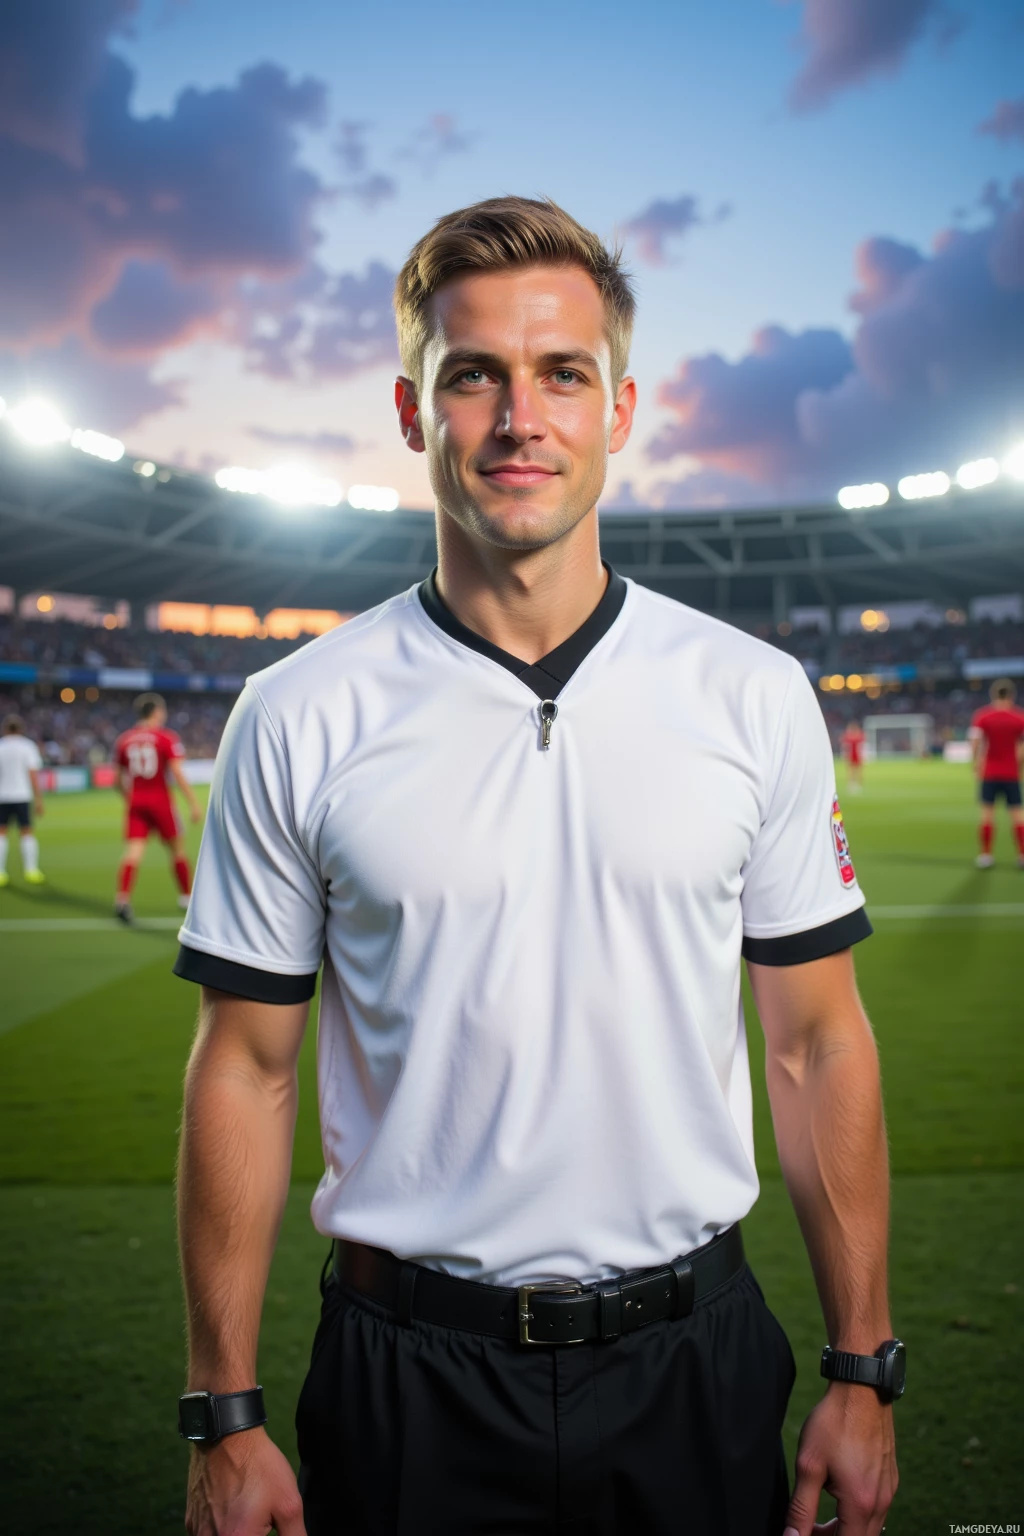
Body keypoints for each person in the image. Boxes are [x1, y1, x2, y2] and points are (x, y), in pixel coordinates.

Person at [174, 197, 900, 1536]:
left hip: (695, 1360)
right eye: (475, 378)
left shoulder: (753, 695)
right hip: (406, 1380)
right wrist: (222, 1411)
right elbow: (247, 1064)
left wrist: (865, 1365)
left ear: (620, 409)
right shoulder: (296, 712)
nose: (522, 418)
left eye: (564, 373)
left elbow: (816, 1047)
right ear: (412, 410)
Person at [113, 692, 200, 922]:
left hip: (136, 802)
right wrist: (193, 802)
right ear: (157, 712)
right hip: (160, 801)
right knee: (177, 850)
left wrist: (129, 798)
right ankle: (186, 897)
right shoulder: (166, 737)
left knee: (133, 853)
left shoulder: (124, 739)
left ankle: (122, 899)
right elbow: (177, 773)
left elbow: (116, 780)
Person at [969, 676, 1024, 869]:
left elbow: (975, 742)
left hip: (989, 773)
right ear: (1012, 695)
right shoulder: (1019, 717)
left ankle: (986, 855)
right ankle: (1022, 855)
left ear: (993, 695)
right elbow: (1022, 748)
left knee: (987, 815)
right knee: (1017, 815)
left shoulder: (983, 716)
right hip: (1012, 774)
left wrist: (975, 763)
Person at [0, 714, 45, 886]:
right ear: (20, 729)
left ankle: (1, 873)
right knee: (26, 833)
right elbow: (33, 774)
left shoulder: (1, 746)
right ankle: (31, 870)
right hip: (22, 795)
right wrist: (39, 799)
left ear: (5, 729)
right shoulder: (27, 746)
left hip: (2, 796)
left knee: (1, 834)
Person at [841, 719, 866, 793]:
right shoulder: (848, 736)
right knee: (851, 771)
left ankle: (858, 784)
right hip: (851, 755)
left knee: (858, 771)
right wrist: (845, 755)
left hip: (857, 755)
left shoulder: (859, 735)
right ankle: (851, 784)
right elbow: (845, 746)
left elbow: (862, 746)